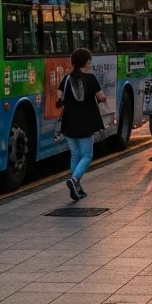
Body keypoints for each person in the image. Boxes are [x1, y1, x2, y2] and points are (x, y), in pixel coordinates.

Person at [57, 48, 109, 200]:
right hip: (85, 122)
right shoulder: (90, 78)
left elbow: (59, 95)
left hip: (68, 122)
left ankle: (77, 187)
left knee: (75, 154)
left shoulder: (67, 79)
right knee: (87, 155)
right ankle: (74, 180)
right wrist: (102, 100)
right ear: (87, 62)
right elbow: (102, 97)